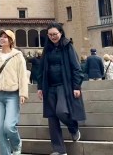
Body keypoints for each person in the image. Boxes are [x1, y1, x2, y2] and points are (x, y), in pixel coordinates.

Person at [37, 22, 86, 155]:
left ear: (61, 33)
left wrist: (76, 86)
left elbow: (77, 68)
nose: (53, 37)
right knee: (52, 118)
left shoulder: (67, 46)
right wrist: (40, 87)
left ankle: (73, 127)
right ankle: (59, 150)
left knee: (61, 111)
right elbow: (41, 69)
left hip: (64, 85)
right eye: (50, 35)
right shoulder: (46, 49)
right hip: (49, 86)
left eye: (55, 34)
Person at [0, 29, 28, 155]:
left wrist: (23, 93)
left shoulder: (17, 56)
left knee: (9, 126)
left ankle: (17, 143)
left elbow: (22, 76)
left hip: (12, 95)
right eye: (1, 37)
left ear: (11, 41)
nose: (2, 39)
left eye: (5, 37)